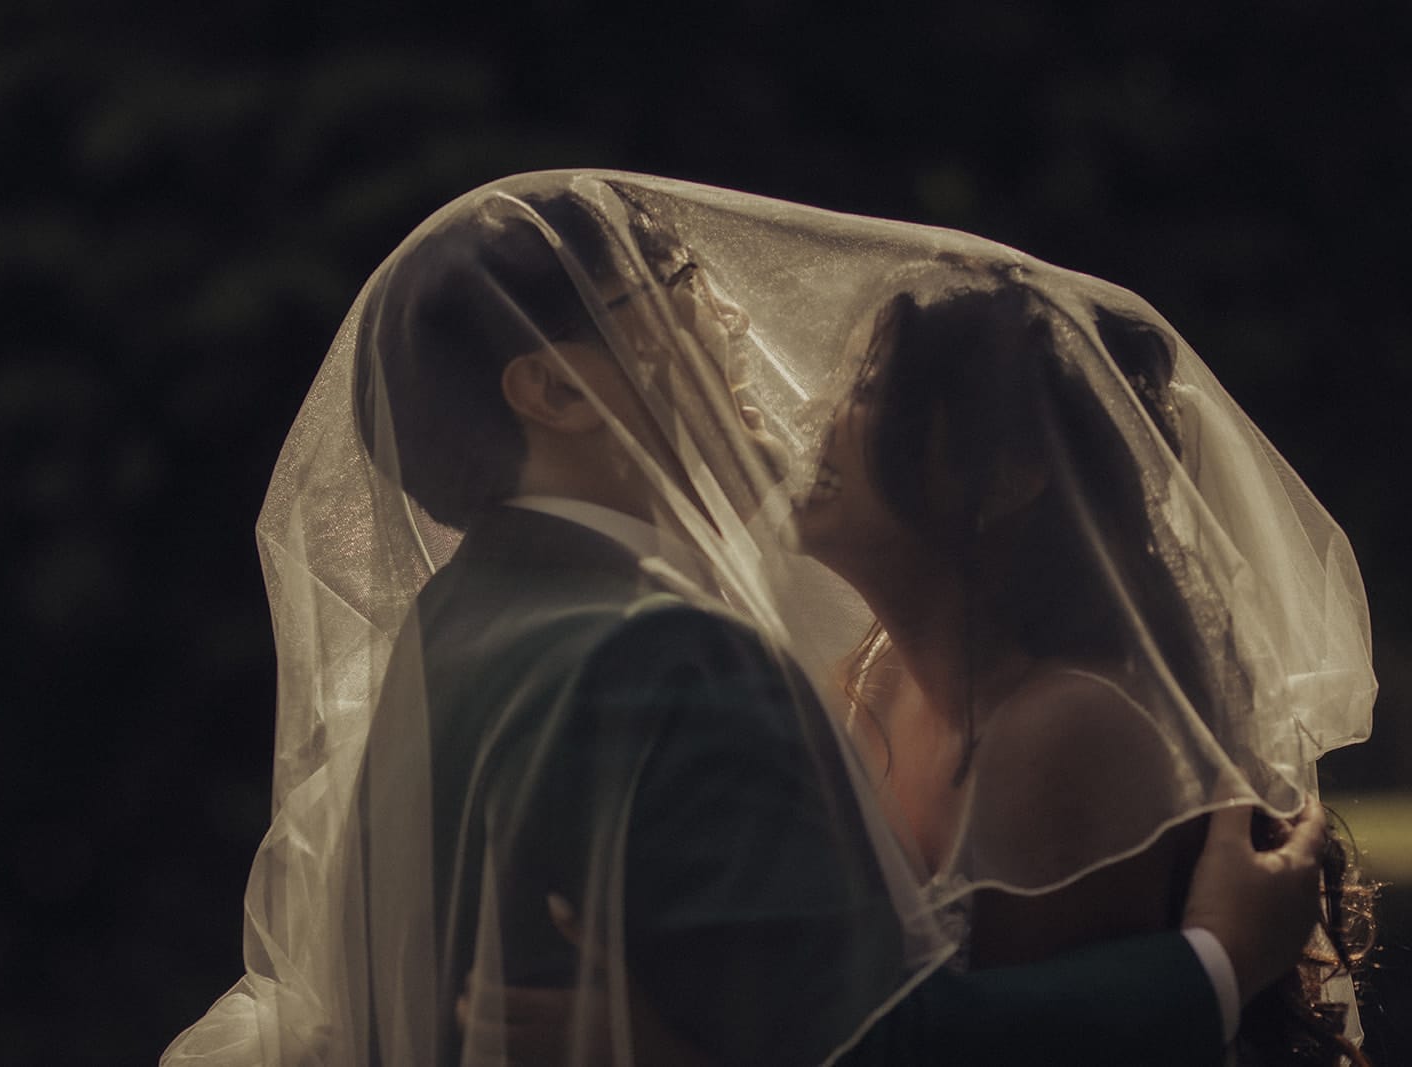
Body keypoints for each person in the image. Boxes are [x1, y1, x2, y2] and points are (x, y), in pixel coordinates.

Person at [160, 172, 1340, 1067]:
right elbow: (872, 1042)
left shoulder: (451, 626)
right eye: (672, 294)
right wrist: (1213, 962)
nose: (726, 318)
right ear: (555, 388)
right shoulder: (667, 654)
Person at [794, 258, 1377, 1063]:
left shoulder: (1066, 728)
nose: (820, 416)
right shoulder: (879, 678)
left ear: (1007, 478)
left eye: (870, 393)